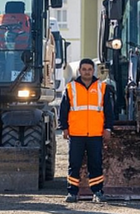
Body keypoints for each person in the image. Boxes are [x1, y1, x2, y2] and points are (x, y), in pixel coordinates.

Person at [58, 58, 113, 203]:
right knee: (74, 163)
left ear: (93, 71)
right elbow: (63, 110)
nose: (87, 72)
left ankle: (97, 192)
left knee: (95, 164)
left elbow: (108, 110)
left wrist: (107, 128)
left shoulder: (102, 87)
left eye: (89, 69)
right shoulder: (71, 88)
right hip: (76, 133)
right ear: (79, 71)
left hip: (95, 133)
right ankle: (72, 192)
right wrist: (64, 128)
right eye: (84, 69)